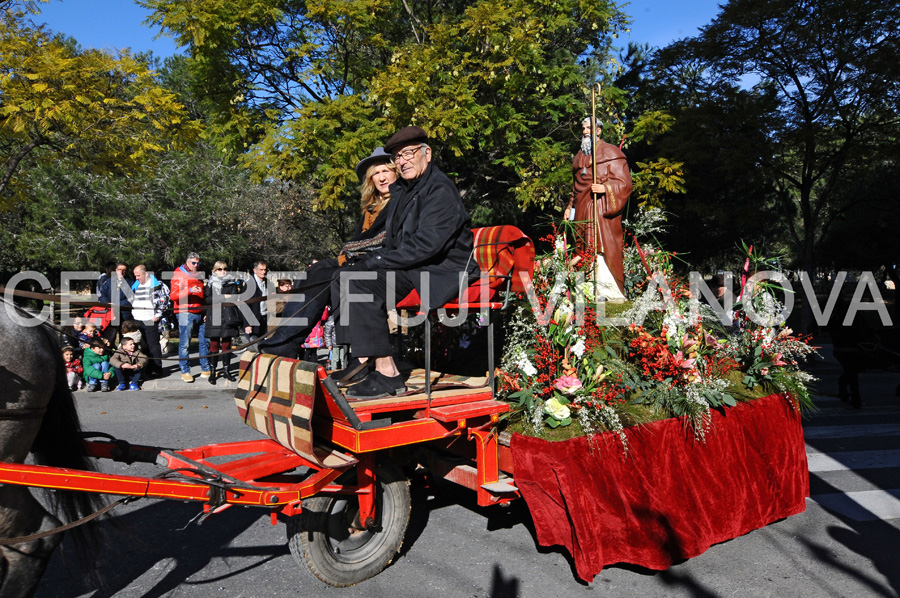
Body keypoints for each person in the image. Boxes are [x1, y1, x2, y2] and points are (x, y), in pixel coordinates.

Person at [332, 125, 479, 399]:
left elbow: (427, 245)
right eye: (398, 156)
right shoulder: (403, 190)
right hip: (414, 266)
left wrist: (376, 261)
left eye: (409, 153)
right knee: (343, 276)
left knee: (360, 284)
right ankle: (361, 361)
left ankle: (388, 374)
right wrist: (367, 260)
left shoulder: (440, 190)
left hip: (439, 270)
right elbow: (394, 241)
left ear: (427, 153)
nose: (403, 160)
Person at [257, 147, 400, 357]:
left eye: (385, 171)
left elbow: (386, 240)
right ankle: (284, 339)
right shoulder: (370, 209)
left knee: (332, 275)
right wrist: (350, 254)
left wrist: (352, 254)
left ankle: (287, 341)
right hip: (360, 257)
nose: (381, 178)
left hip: (384, 261)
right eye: (376, 174)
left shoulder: (399, 202)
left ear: (396, 172)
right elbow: (359, 242)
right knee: (315, 270)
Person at [565, 116, 632, 299]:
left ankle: (607, 292)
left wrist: (605, 188)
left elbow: (624, 184)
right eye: (583, 128)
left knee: (600, 246)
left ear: (599, 130)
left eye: (588, 128)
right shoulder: (579, 156)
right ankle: (584, 292)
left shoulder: (611, 153)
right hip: (581, 210)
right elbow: (576, 185)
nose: (585, 132)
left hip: (601, 210)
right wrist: (570, 205)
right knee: (581, 248)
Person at [171, 252, 211, 383]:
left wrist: (205, 312)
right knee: (185, 343)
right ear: (187, 262)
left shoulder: (198, 275)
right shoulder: (179, 275)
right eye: (193, 263)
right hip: (184, 312)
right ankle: (185, 370)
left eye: (198, 263)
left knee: (204, 341)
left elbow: (203, 295)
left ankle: (205, 367)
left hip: (199, 311)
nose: (196, 265)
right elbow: (173, 296)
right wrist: (189, 290)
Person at [205, 261, 243, 384]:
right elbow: (208, 299)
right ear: (215, 270)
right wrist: (223, 297)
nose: (223, 271)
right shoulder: (210, 283)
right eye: (220, 269)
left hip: (228, 316)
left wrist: (222, 298)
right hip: (214, 315)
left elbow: (234, 297)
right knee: (214, 344)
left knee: (227, 344)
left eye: (225, 269)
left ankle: (227, 371)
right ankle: (212, 372)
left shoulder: (231, 282)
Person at [131, 264, 170, 378]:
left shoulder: (158, 284)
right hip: (138, 318)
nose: (137, 278)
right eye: (135, 276)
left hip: (150, 318)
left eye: (138, 275)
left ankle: (157, 368)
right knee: (143, 346)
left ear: (146, 274)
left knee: (153, 345)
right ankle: (146, 368)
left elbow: (165, 300)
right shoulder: (136, 285)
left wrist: (158, 314)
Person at [98, 261, 134, 346]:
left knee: (125, 337)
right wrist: (107, 303)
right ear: (116, 270)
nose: (121, 272)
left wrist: (117, 304)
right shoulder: (108, 282)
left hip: (124, 314)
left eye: (124, 270)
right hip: (110, 314)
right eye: (119, 269)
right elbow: (102, 295)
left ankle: (124, 355)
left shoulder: (131, 283)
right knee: (110, 337)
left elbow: (131, 299)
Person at [243, 260, 269, 341]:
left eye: (265, 270)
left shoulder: (268, 283)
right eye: (261, 270)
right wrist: (247, 324)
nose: (263, 272)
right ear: (255, 270)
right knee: (253, 347)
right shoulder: (250, 285)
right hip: (253, 321)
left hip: (265, 318)